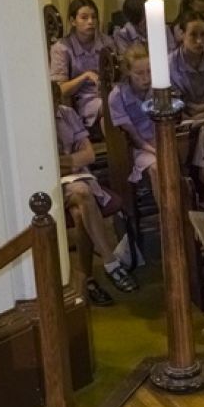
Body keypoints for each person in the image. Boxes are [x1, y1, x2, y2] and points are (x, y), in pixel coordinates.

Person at [55, 94, 138, 306]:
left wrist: (61, 162)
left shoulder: (66, 113)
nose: (55, 108)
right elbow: (41, 163)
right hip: (49, 183)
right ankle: (110, 263)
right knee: (83, 193)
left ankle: (85, 282)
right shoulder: (30, 120)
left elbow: (89, 155)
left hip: (76, 178)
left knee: (79, 211)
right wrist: (70, 161)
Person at [49, 0, 115, 128]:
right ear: (73, 21)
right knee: (111, 108)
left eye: (94, 17)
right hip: (83, 99)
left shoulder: (106, 42)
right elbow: (61, 89)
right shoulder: (62, 48)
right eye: (84, 18)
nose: (90, 22)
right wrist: (85, 76)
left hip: (109, 92)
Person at [109, 44, 161, 201]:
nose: (146, 78)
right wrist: (155, 151)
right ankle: (166, 217)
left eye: (149, 71)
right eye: (139, 73)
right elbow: (134, 138)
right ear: (128, 72)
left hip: (160, 140)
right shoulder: (117, 96)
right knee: (157, 167)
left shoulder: (159, 88)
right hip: (140, 148)